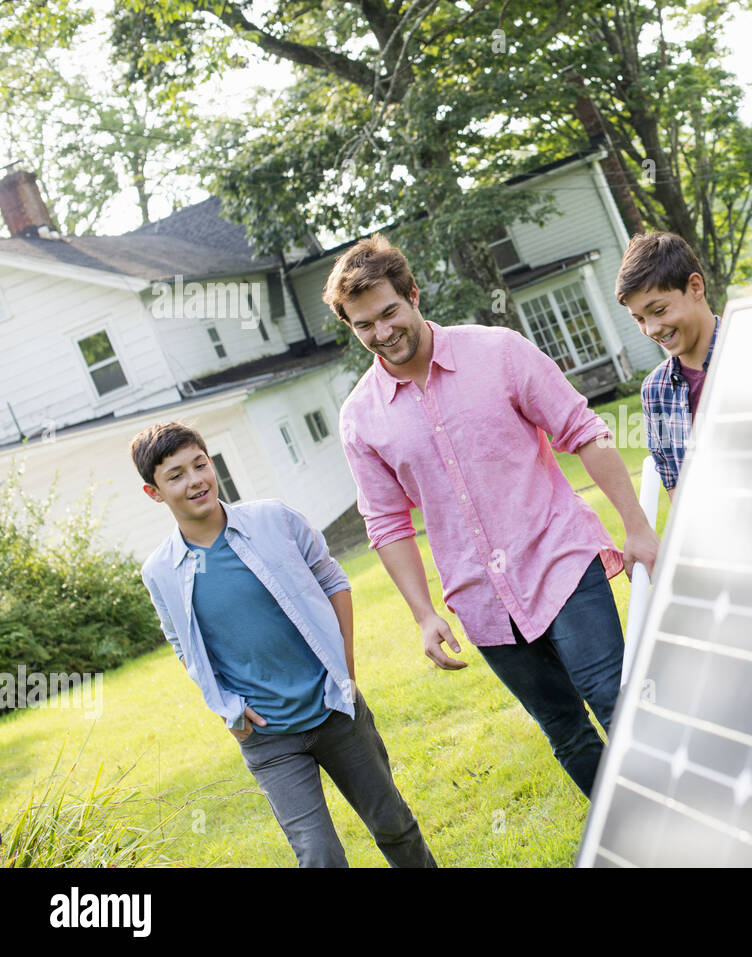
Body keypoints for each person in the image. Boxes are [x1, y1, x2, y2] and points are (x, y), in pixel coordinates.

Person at [325, 234, 659, 799]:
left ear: (413, 294)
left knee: (613, 696)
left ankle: (687, 822)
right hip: (480, 596)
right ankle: (630, 844)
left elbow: (583, 431)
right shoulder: (361, 418)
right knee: (567, 733)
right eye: (364, 325)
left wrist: (637, 526)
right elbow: (386, 524)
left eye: (388, 312)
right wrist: (423, 614)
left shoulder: (498, 351)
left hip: (560, 556)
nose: (381, 333)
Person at [133, 421, 437, 868]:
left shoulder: (273, 520)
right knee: (318, 856)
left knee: (393, 824)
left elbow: (332, 578)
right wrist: (227, 706)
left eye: (200, 464)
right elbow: (185, 645)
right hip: (266, 736)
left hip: (334, 708)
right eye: (175, 475)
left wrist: (346, 670)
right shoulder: (160, 571)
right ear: (154, 492)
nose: (195, 480)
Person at [616, 231, 722, 500]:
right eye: (639, 318)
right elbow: (674, 483)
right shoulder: (655, 390)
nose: (651, 329)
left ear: (695, 287)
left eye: (659, 310)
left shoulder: (750, 352)